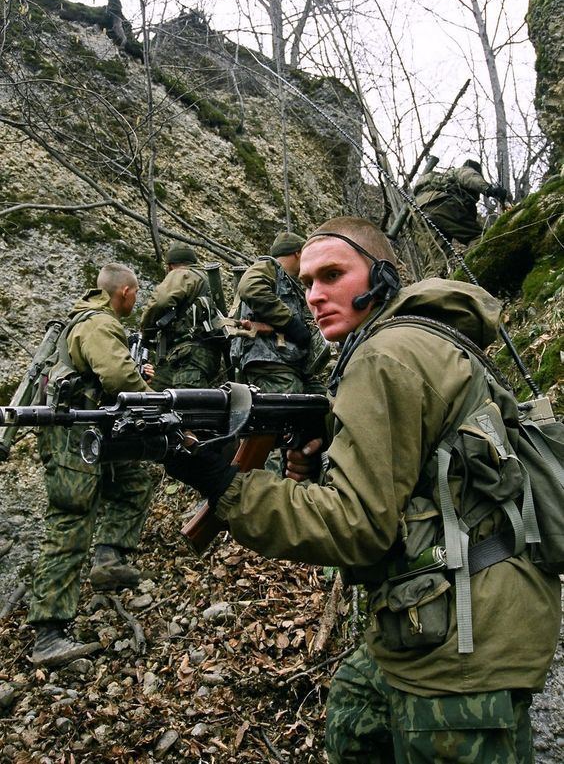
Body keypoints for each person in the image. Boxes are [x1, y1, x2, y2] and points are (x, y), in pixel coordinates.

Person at [165, 217, 561, 762]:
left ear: (381, 277)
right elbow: (422, 469)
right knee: (354, 721)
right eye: (306, 282)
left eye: (332, 275)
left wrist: (227, 486)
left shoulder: (384, 354)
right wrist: (328, 449)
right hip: (443, 611)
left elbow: (357, 526)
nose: (314, 295)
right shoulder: (413, 337)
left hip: (467, 641)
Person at [28, 263, 155, 668]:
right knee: (71, 518)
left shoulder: (90, 321)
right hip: (71, 435)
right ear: (124, 293)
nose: (137, 300)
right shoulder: (100, 324)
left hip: (92, 430)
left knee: (134, 480)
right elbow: (118, 376)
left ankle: (108, 560)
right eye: (135, 293)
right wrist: (158, 403)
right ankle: (48, 634)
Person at [230, 231, 324, 395]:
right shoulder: (267, 267)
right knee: (286, 415)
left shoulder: (285, 279)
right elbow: (250, 289)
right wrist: (290, 324)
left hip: (287, 363)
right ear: (298, 253)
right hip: (272, 362)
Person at [140, 241, 222, 391]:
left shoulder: (182, 274)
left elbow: (160, 301)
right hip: (203, 356)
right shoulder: (207, 280)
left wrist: (146, 332)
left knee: (186, 407)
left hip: (188, 354)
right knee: (156, 396)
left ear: (170, 265)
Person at [413, 159, 508, 246]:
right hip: (439, 202)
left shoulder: (442, 179)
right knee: (477, 238)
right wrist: (489, 189)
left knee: (439, 258)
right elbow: (469, 176)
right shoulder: (465, 170)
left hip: (415, 212)